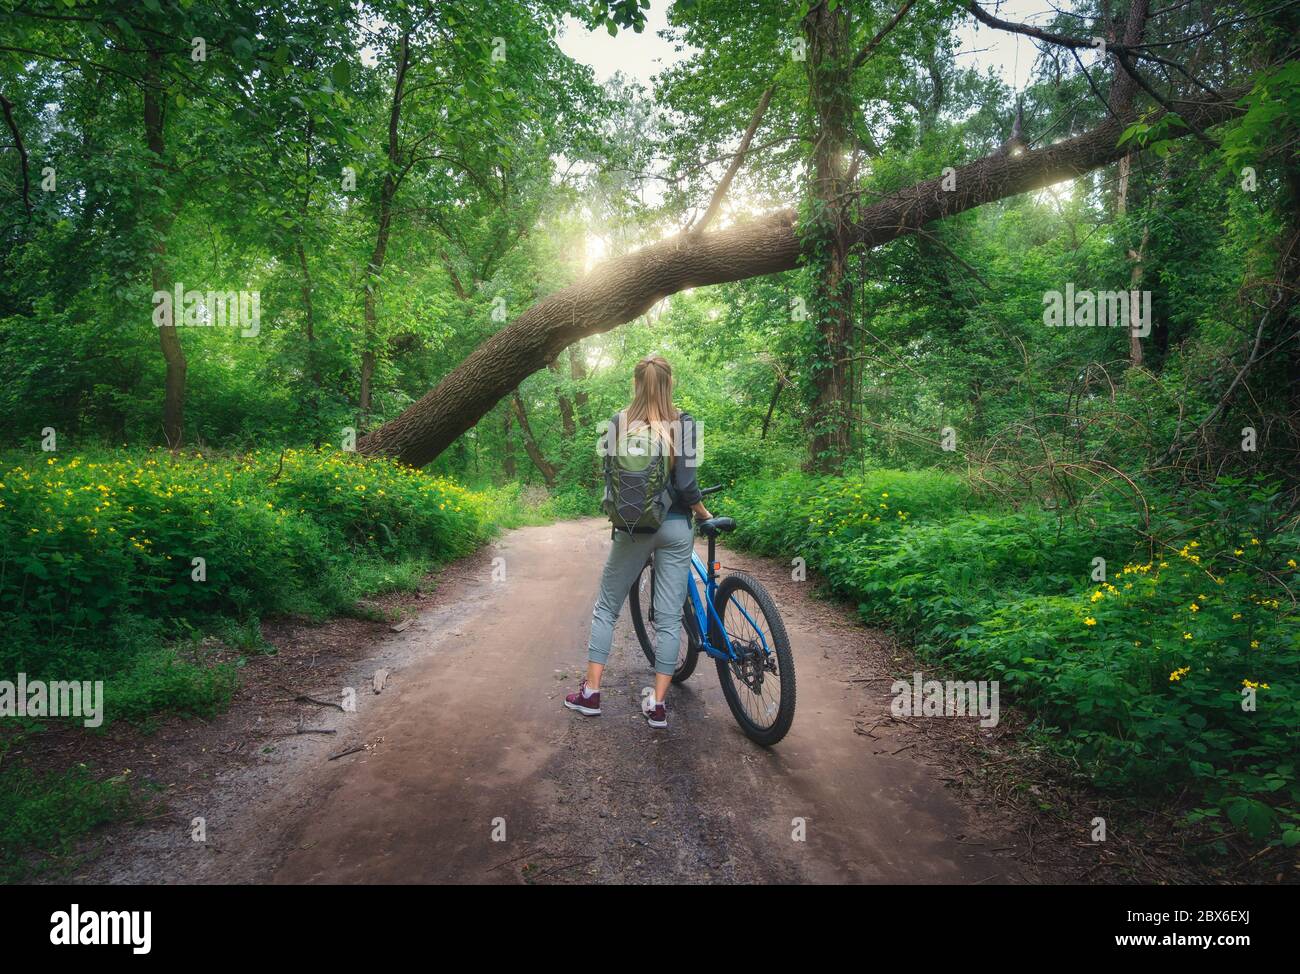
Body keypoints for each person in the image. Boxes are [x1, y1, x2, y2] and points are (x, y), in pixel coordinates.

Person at [564, 355, 711, 729]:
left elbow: (608, 477)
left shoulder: (617, 423)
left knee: (606, 608)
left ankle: (592, 693)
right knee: (668, 619)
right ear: (670, 383)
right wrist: (704, 515)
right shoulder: (686, 424)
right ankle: (658, 705)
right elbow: (686, 485)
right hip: (676, 527)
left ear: (634, 384)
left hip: (633, 531)